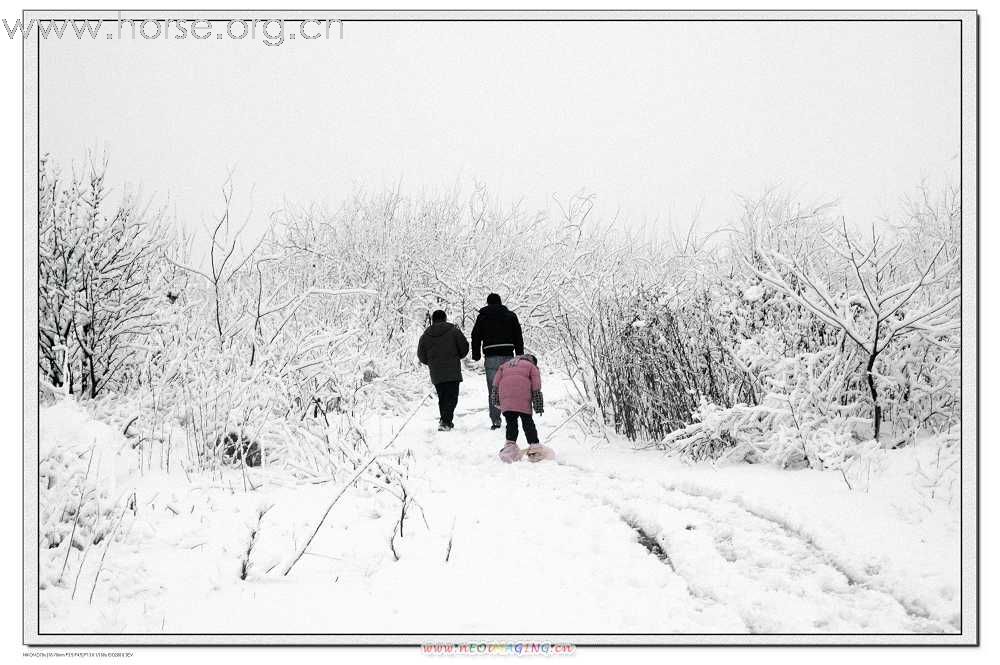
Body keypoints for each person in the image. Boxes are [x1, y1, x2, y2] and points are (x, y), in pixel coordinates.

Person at [470, 293, 524, 429]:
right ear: (500, 302)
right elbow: (518, 335)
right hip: (508, 356)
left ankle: (496, 420)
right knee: (509, 388)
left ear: (488, 303)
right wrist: (519, 354)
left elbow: (475, 335)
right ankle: (511, 417)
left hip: (491, 356)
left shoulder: (482, 317)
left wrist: (476, 354)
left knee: (494, 390)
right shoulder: (511, 316)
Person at [492, 354, 553, 463]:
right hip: (523, 397)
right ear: (533, 361)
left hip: (506, 399)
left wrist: (496, 400)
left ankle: (509, 449)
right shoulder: (531, 367)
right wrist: (538, 406)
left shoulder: (505, 365)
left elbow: (495, 384)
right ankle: (535, 448)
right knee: (527, 422)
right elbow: (536, 387)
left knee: (511, 423)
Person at [417, 310, 470, 431]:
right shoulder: (454, 331)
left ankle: (444, 420)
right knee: (452, 397)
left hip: (436, 372)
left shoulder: (425, 336)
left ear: (433, 320)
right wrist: (458, 356)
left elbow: (421, 355)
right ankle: (446, 421)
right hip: (453, 370)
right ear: (445, 318)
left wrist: (431, 362)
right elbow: (464, 347)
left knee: (442, 396)